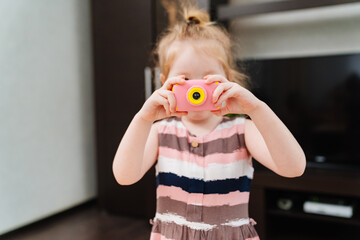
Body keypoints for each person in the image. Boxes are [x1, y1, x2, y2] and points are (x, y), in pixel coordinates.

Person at [112, 5, 306, 240]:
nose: (197, 90)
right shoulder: (160, 131)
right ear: (164, 83)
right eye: (184, 79)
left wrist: (257, 108)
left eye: (206, 79)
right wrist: (143, 118)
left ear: (228, 80)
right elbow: (124, 176)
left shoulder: (242, 130)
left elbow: (294, 168)